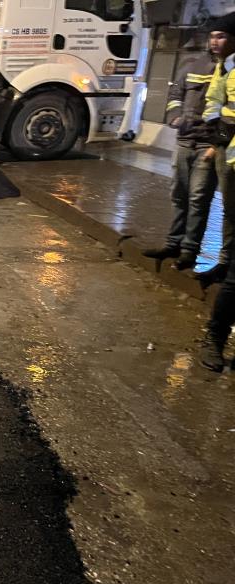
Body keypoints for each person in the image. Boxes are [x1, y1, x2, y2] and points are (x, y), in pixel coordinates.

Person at [144, 22, 235, 271]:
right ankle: (173, 243)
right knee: (179, 195)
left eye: (222, 36)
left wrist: (216, 145)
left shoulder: (228, 69)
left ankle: (189, 251)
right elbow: (175, 95)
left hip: (209, 144)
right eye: (212, 36)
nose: (215, 41)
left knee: (198, 199)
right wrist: (174, 117)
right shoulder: (192, 65)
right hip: (185, 141)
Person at [200, 12, 235, 370]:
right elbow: (214, 102)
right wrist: (218, 134)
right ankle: (215, 337)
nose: (216, 42)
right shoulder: (226, 68)